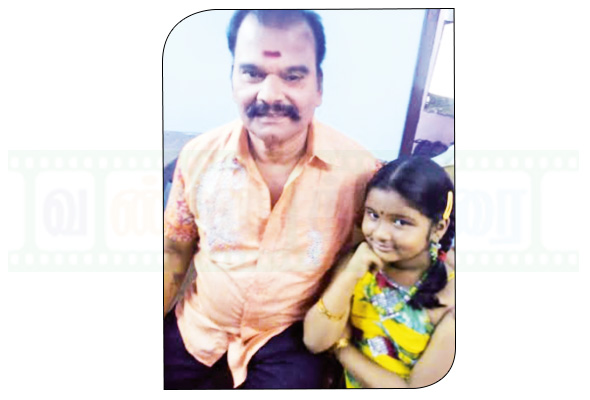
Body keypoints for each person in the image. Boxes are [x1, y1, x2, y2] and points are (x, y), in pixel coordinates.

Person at [163, 10, 378, 389]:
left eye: (293, 76)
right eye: (252, 73)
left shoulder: (360, 173)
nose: (270, 94)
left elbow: (370, 258)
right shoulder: (197, 157)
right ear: (233, 80)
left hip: (287, 340)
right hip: (197, 329)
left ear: (319, 87)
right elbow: (174, 252)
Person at [303, 156, 455, 388]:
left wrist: (342, 349)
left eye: (401, 222)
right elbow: (314, 341)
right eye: (373, 215)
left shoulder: (451, 300)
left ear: (438, 229)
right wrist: (350, 275)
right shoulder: (359, 262)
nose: (380, 234)